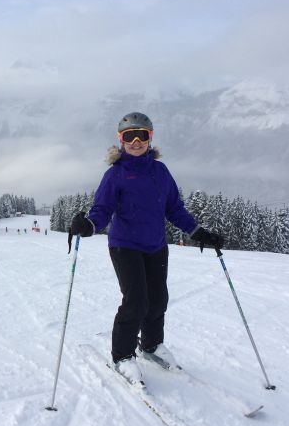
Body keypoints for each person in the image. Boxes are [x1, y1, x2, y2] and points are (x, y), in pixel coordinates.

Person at [69, 112, 224, 385]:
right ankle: (123, 356)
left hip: (155, 245)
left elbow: (174, 208)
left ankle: (151, 346)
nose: (136, 141)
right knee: (136, 301)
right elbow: (102, 210)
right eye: (130, 136)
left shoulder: (160, 172)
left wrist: (200, 233)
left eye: (143, 135)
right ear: (121, 140)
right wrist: (88, 225)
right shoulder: (115, 174)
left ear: (150, 138)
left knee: (158, 300)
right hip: (125, 245)